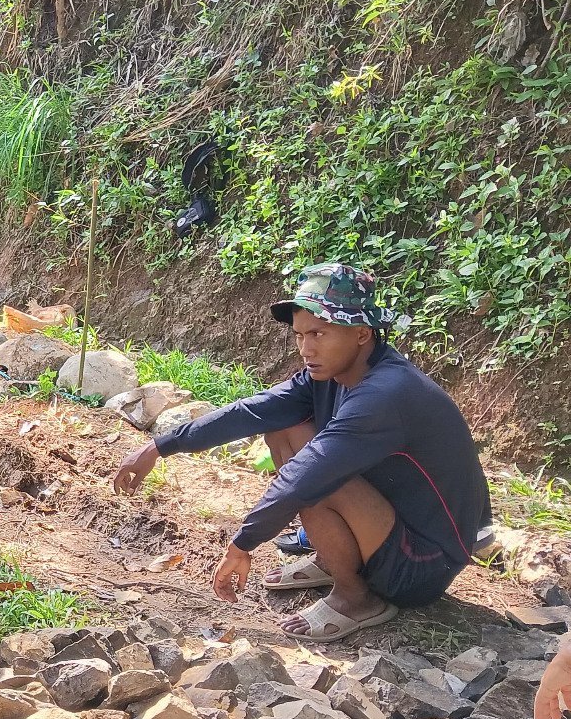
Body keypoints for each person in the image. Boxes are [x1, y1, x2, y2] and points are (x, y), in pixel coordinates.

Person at [113, 263, 491, 642]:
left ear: (361, 333)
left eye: (319, 334)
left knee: (316, 479)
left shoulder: (385, 394)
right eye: (299, 335)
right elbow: (252, 411)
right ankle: (332, 559)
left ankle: (355, 598)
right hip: (392, 526)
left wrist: (242, 544)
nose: (306, 349)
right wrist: (160, 445)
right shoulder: (328, 375)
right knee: (284, 427)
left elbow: (305, 477)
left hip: (423, 565)